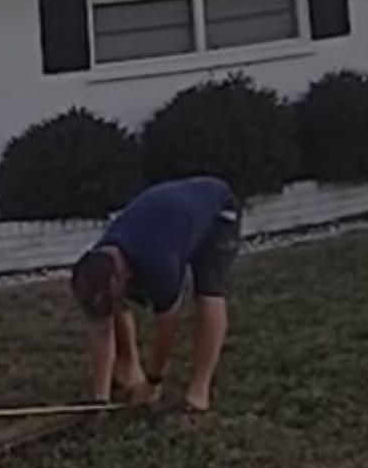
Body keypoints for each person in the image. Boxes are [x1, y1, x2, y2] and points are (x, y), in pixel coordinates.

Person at [70, 176, 241, 413]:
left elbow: (167, 328)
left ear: (123, 275)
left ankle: (199, 391)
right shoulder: (100, 258)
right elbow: (101, 329)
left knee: (208, 293)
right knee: (114, 302)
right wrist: (100, 401)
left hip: (217, 211)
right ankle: (128, 367)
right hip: (169, 215)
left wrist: (153, 383)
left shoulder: (160, 263)